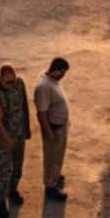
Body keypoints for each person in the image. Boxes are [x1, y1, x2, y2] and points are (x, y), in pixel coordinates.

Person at [0, 65, 31, 218]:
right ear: (0, 79)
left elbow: (24, 107)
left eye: (13, 81)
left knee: (17, 167)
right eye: (7, 82)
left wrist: (26, 131)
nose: (11, 85)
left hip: (18, 135)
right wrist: (7, 140)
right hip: (2, 140)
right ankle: (1, 202)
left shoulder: (20, 84)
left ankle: (13, 191)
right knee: (3, 171)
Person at [35, 57, 71, 201]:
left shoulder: (51, 80)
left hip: (60, 126)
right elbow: (41, 112)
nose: (63, 76)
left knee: (58, 156)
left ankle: (55, 177)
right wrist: (49, 132)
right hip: (53, 129)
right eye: (63, 72)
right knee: (52, 158)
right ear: (56, 71)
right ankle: (50, 186)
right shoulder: (44, 87)